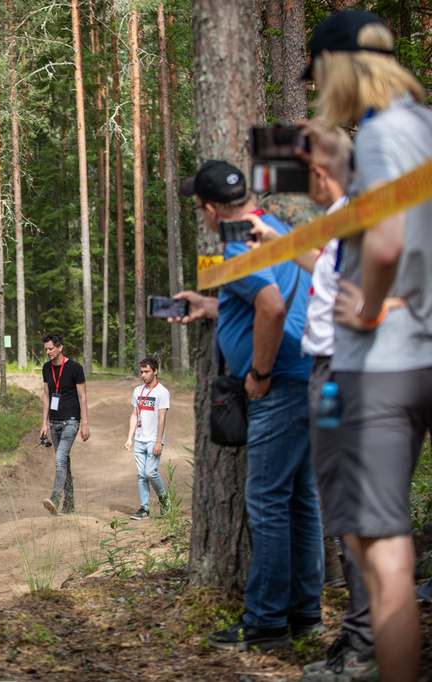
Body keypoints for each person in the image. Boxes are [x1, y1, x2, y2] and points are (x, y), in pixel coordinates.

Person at [305, 11, 432, 681]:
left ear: (338, 68)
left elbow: (383, 242)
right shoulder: (424, 128)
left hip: (378, 366)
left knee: (385, 561)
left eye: (319, 75)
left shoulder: (384, 133)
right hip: (418, 356)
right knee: (376, 545)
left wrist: (373, 302)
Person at [248, 128, 379, 680]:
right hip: (325, 376)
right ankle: (352, 632)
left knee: (346, 505)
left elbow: (378, 290)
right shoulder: (341, 219)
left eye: (304, 179)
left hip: (341, 375)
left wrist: (373, 313)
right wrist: (276, 242)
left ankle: (365, 642)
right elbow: (323, 267)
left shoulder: (364, 213)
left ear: (321, 176)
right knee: (325, 496)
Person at [179, 159, 324, 652]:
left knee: (266, 504)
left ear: (214, 210)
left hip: (279, 384)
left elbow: (273, 306)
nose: (201, 215)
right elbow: (273, 295)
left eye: (199, 207)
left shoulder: (239, 244)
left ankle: (265, 621)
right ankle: (305, 611)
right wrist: (212, 307)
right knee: (301, 501)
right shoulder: (275, 230)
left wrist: (258, 375)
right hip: (309, 377)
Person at [39, 332, 90, 515]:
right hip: (54, 422)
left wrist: (85, 424)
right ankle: (70, 504)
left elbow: (83, 397)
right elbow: (46, 396)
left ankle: (55, 497)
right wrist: (44, 423)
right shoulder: (46, 368)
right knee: (64, 463)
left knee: (60, 459)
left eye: (51, 348)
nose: (48, 352)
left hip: (71, 421)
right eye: (46, 349)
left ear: (60, 347)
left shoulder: (75, 368)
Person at [124, 357, 169, 520]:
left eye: (147, 372)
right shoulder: (138, 391)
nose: (143, 375)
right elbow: (135, 414)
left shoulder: (162, 392)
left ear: (155, 371)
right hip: (140, 439)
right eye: (142, 372)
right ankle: (144, 508)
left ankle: (163, 498)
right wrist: (130, 437)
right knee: (141, 474)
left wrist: (158, 441)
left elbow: (162, 418)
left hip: (153, 440)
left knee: (150, 472)